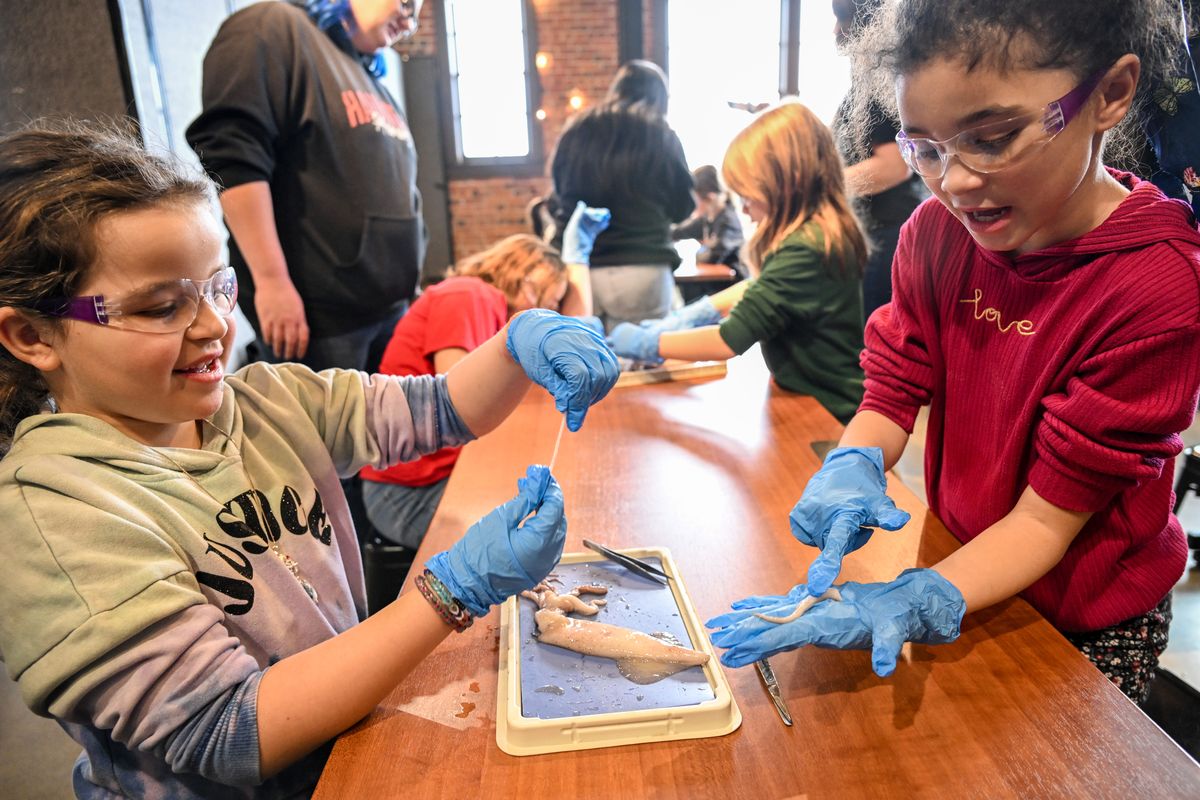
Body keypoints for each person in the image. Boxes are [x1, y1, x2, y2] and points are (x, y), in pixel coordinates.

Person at [0, 122, 619, 798]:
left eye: (219, 287)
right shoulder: (51, 517)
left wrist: (515, 344)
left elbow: (438, 409)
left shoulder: (270, 399)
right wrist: (450, 591)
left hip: (347, 754)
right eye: (159, 306)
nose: (213, 326)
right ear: (32, 334)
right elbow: (225, 730)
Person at [706, 0, 1200, 705]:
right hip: (965, 557)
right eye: (925, 149)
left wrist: (918, 599)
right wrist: (856, 457)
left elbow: (1044, 519)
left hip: (1089, 608)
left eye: (993, 138)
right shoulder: (935, 235)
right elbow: (892, 388)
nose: (956, 181)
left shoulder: (1155, 285)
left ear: (1111, 94)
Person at [186, 0, 425, 372]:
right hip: (323, 319)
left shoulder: (370, 79)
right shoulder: (273, 26)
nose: (410, 23)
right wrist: (272, 281)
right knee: (331, 432)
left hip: (389, 310)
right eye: (408, 3)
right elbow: (234, 157)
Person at [607, 101, 868, 424]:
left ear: (788, 181)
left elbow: (727, 340)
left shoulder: (805, 249)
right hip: (812, 399)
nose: (744, 209)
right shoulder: (815, 234)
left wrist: (651, 343)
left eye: (749, 195)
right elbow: (758, 286)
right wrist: (692, 315)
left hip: (829, 412)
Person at [360, 222, 608, 562]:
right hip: (405, 493)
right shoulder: (469, 294)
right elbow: (456, 395)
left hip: (432, 476)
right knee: (539, 537)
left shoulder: (487, 308)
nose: (552, 307)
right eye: (552, 297)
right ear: (529, 278)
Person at [548, 60, 696, 331]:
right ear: (660, 98)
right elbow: (682, 207)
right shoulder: (661, 135)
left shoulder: (576, 129)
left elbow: (557, 196)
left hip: (579, 268)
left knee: (580, 362)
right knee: (646, 363)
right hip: (643, 269)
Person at [831, 0, 927, 324]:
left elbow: (892, 166)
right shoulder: (862, 86)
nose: (835, 31)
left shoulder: (882, 81)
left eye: (841, 21)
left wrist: (822, 189)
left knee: (874, 341)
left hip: (888, 232)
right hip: (875, 232)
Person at [671, 165, 747, 278]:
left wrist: (700, 251)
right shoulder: (707, 218)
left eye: (695, 198)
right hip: (713, 282)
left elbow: (712, 258)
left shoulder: (728, 221)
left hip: (731, 283)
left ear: (710, 197)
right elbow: (678, 232)